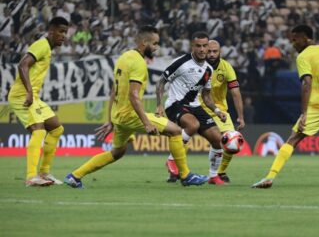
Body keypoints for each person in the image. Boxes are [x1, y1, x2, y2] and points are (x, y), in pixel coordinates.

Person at [64, 26, 208, 188]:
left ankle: (75, 176)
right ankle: (186, 175)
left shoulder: (124, 57)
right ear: (144, 42)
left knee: (117, 152)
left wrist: (110, 119)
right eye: (154, 44)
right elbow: (133, 95)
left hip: (119, 115)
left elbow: (114, 90)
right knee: (175, 131)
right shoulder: (138, 63)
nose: (156, 48)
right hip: (130, 115)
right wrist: (146, 122)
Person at [252, 24, 319, 189]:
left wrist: (304, 113)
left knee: (294, 137)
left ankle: (269, 177)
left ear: (306, 38)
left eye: (295, 39)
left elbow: (306, 84)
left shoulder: (303, 57)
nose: (293, 43)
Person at [163, 39, 245, 183]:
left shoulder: (225, 68)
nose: (211, 54)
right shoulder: (193, 65)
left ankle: (219, 172)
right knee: (190, 128)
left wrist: (240, 116)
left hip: (218, 109)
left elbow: (235, 92)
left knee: (230, 141)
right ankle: (174, 166)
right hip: (193, 106)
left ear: (220, 52)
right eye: (210, 51)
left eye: (215, 51)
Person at [156, 31, 228, 185]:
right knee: (192, 125)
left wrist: (217, 111)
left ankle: (214, 176)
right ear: (192, 46)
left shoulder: (209, 69)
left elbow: (206, 96)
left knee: (217, 139)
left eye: (205, 46)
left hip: (195, 106)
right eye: (198, 46)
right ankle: (171, 160)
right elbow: (161, 82)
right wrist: (159, 104)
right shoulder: (181, 62)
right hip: (175, 104)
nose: (202, 49)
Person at [8, 16, 69, 186]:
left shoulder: (47, 48)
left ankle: (44, 173)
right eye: (61, 31)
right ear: (51, 31)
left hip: (33, 95)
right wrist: (28, 91)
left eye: (65, 32)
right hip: (22, 95)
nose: (63, 35)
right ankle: (30, 177)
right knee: (39, 130)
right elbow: (22, 65)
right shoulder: (41, 45)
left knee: (56, 129)